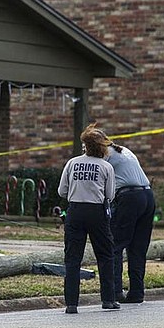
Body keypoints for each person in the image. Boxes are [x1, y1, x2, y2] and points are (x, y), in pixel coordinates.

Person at [57, 123, 118, 314]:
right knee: (106, 255)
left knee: (73, 258)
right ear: (102, 146)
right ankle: (108, 299)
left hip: (75, 211)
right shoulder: (106, 167)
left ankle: (71, 304)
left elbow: (62, 191)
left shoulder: (72, 163)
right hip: (97, 212)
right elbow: (110, 195)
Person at [103, 138, 156, 304]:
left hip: (128, 197)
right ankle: (137, 293)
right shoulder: (123, 151)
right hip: (147, 196)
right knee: (138, 248)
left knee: (115, 245)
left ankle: (115, 292)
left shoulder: (104, 155)